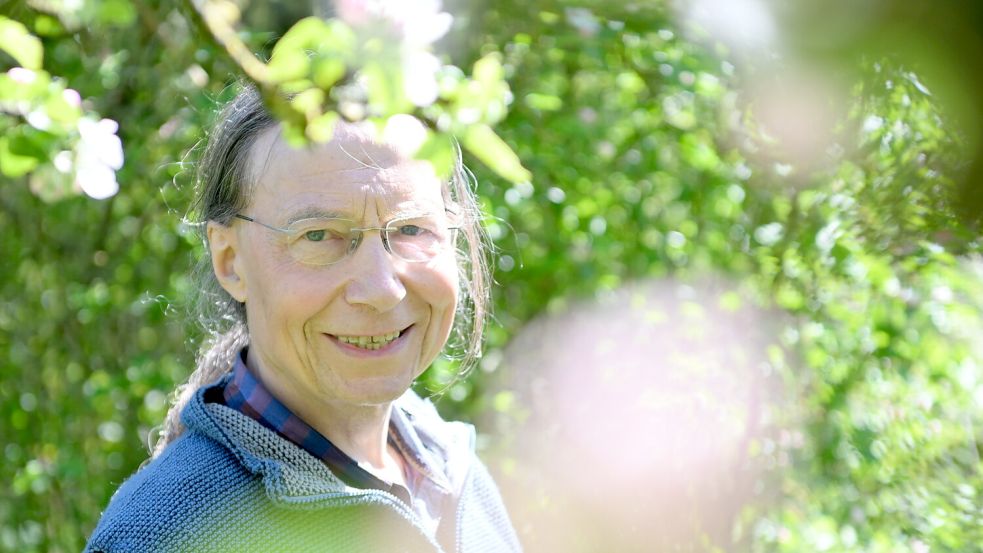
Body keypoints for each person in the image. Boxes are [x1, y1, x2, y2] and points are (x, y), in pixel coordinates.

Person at [84, 86, 522, 553]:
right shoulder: (165, 535)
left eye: (412, 228)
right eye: (319, 235)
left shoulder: (452, 470)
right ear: (230, 260)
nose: (381, 289)